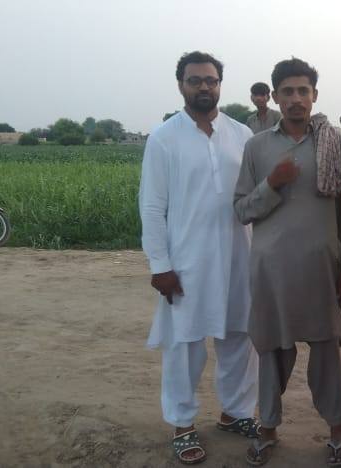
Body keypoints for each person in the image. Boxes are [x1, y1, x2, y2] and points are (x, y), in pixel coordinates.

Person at [233, 57, 341, 467]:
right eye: (287, 91)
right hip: (271, 271)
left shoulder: (334, 143)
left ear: (315, 95)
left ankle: (337, 433)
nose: (296, 99)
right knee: (271, 352)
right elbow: (242, 210)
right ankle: (268, 430)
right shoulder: (257, 147)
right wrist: (273, 182)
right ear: (275, 96)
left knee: (327, 351)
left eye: (303, 90)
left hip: (321, 268)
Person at [138, 51, 260, 465]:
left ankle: (235, 413)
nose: (204, 87)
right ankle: (182, 423)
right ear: (181, 85)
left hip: (240, 254)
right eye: (195, 80)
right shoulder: (164, 138)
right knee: (185, 343)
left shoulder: (242, 134)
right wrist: (160, 265)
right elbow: (152, 206)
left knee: (240, 337)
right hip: (187, 260)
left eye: (211, 80)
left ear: (220, 85)